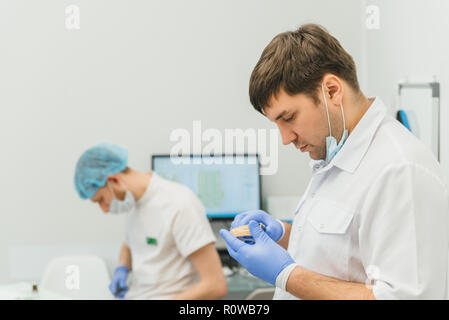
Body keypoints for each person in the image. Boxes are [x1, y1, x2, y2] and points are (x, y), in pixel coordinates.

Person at [220, 24, 449, 299]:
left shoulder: (400, 170)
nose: (285, 138)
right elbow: (344, 253)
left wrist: (286, 274)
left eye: (289, 117)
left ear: (331, 91)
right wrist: (284, 234)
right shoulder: (336, 153)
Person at [74, 143, 227, 299]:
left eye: (101, 200)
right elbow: (129, 244)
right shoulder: (134, 202)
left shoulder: (180, 204)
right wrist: (122, 268)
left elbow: (215, 285)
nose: (104, 209)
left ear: (113, 180)